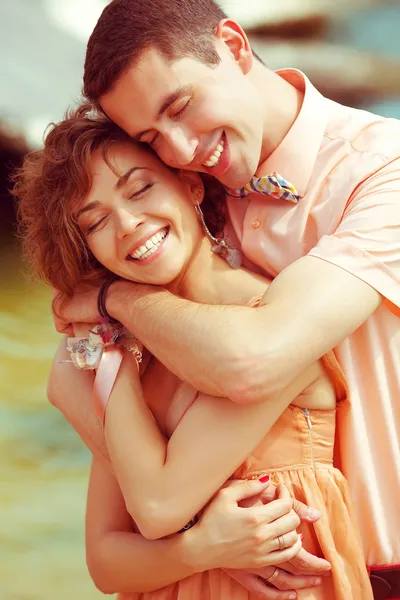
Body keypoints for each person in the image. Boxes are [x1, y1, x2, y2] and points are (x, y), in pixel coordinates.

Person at [51, 0, 400, 590]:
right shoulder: (184, 202)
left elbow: (252, 362)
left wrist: (116, 302)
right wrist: (200, 546)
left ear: (234, 46)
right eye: (152, 137)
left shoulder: (381, 170)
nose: (183, 149)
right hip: (258, 556)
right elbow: (68, 374)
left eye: (181, 107)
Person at [14, 108, 372, 599]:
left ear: (191, 185)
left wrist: (104, 317)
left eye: (140, 190)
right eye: (95, 222)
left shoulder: (270, 323)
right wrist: (200, 549)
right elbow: (106, 562)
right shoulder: (132, 350)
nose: (128, 225)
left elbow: (159, 505)